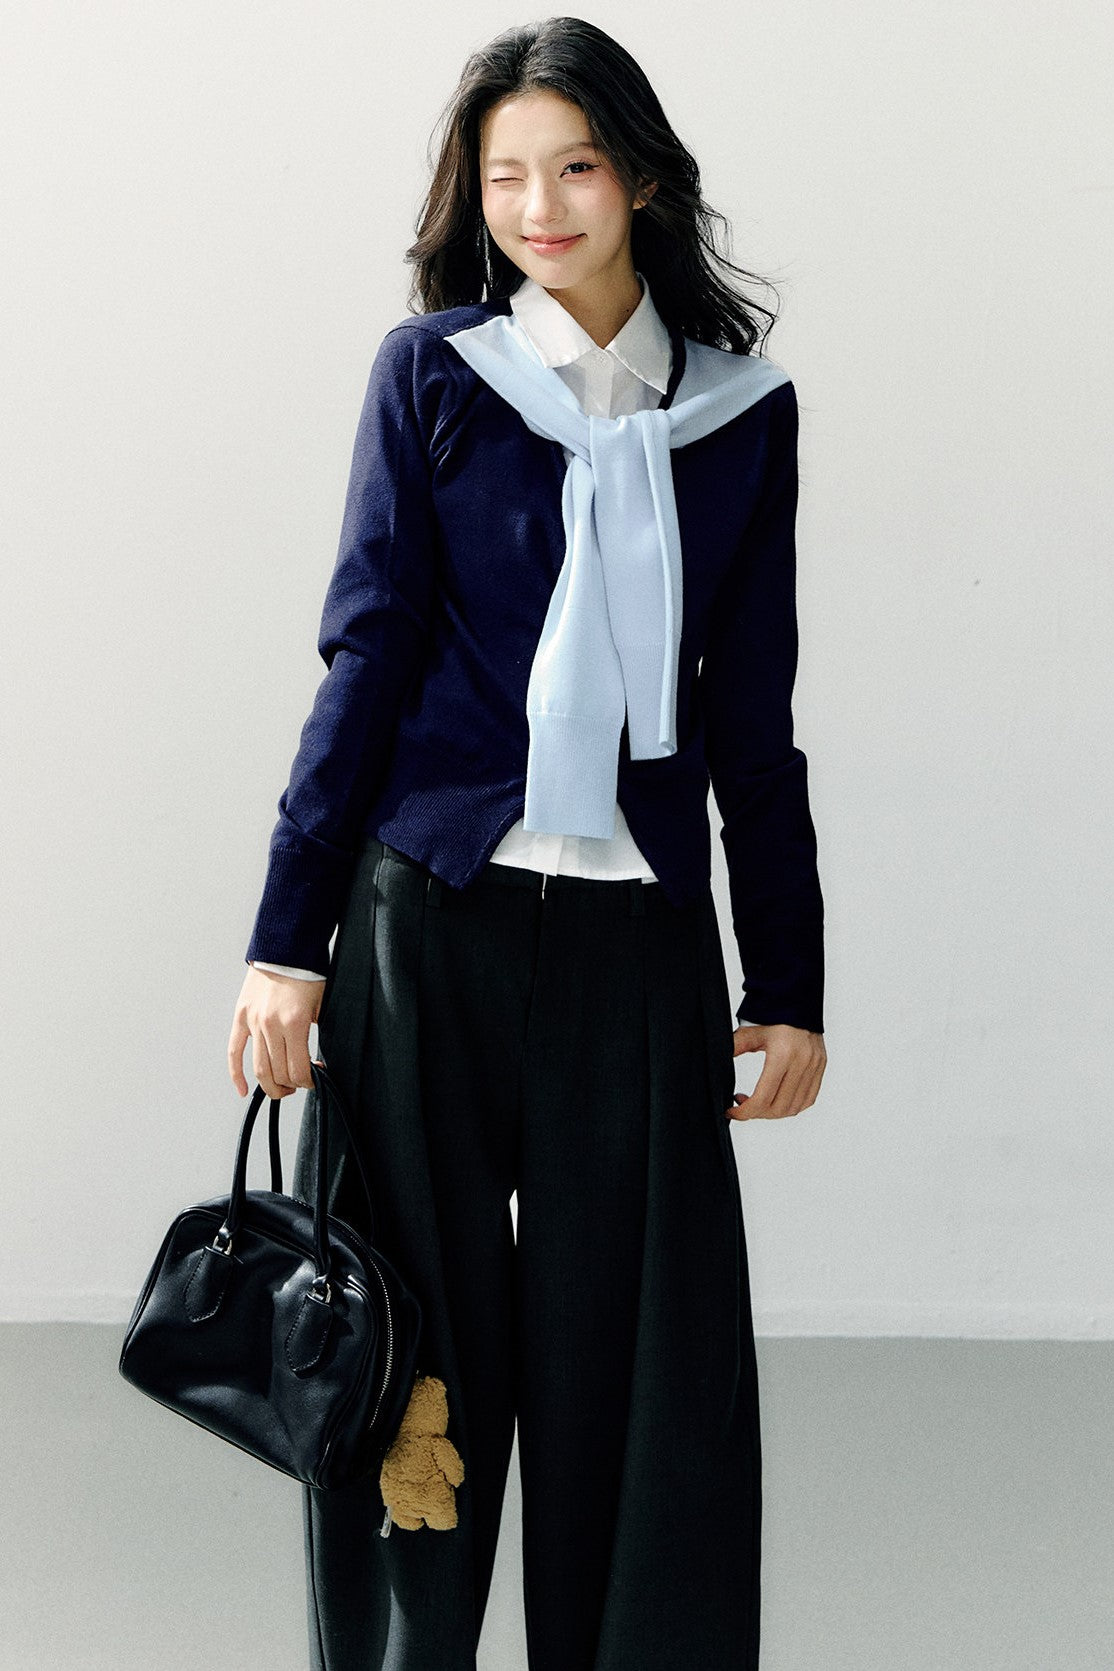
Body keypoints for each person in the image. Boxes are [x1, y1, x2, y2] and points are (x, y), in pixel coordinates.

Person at [227, 17, 826, 1670]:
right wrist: (286, 943)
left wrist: (787, 980)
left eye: (574, 168)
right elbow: (366, 661)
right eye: (504, 177)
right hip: (428, 919)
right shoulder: (434, 376)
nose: (540, 208)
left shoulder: (740, 414)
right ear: (471, 194)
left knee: (643, 1375)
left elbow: (751, 714)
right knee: (402, 1360)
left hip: (636, 940)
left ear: (642, 180)